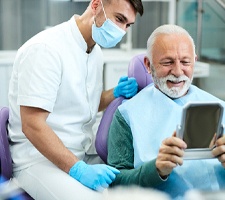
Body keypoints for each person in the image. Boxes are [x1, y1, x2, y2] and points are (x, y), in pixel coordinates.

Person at [8, 0, 144, 199]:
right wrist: (78, 170)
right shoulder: (46, 49)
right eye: (119, 19)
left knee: (135, 187)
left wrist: (115, 92)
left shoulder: (95, 52)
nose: (122, 31)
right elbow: (32, 125)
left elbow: (84, 104)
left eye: (128, 25)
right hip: (37, 160)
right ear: (96, 5)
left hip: (79, 153)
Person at [107, 24, 225, 200]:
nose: (178, 72)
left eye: (185, 62)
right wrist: (155, 170)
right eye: (167, 62)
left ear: (194, 61)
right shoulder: (127, 115)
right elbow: (115, 182)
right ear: (148, 64)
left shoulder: (219, 107)